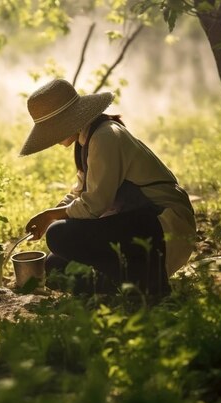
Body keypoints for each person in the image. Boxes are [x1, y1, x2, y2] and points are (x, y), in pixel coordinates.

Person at [21, 79, 196, 296]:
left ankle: (149, 282)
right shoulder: (86, 141)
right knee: (55, 265)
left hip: (163, 223)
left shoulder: (105, 137)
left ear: (67, 121)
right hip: (136, 223)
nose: (51, 139)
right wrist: (51, 214)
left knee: (58, 234)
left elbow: (93, 205)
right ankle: (121, 285)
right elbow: (80, 193)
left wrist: (50, 217)